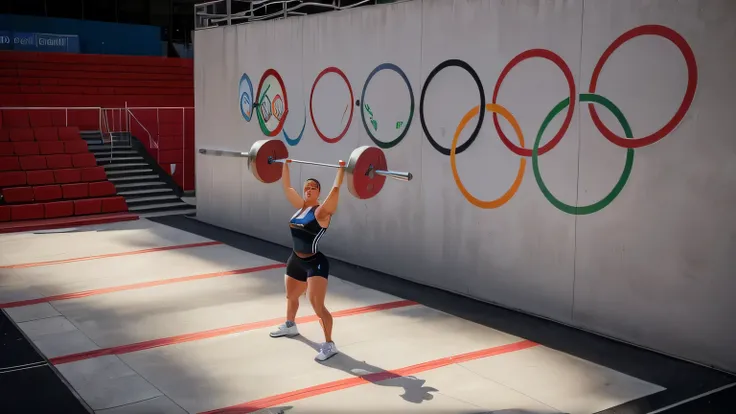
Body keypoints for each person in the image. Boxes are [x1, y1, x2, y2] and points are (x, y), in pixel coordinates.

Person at [269, 158, 345, 362]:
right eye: (307, 187)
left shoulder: (321, 212)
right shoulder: (300, 206)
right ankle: (290, 325)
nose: (309, 190)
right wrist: (285, 164)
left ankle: (329, 344)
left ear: (319, 192)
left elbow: (336, 190)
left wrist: (341, 170)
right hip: (295, 259)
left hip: (315, 262)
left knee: (317, 305)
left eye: (313, 188)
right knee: (291, 296)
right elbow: (286, 187)